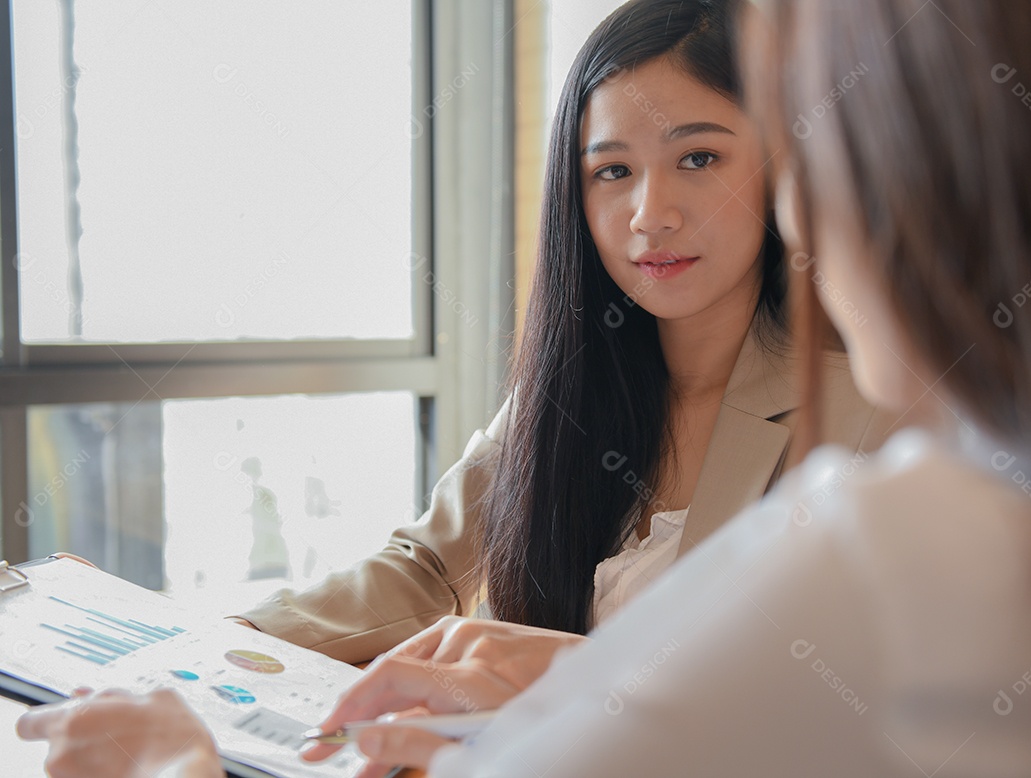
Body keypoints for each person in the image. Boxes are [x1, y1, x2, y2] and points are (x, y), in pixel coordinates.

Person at [231, 0, 887, 659]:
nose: (650, 215)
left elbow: (819, 694)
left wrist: (561, 676)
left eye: (698, 158)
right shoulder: (571, 385)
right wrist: (237, 639)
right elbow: (427, 569)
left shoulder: (860, 415)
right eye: (613, 171)